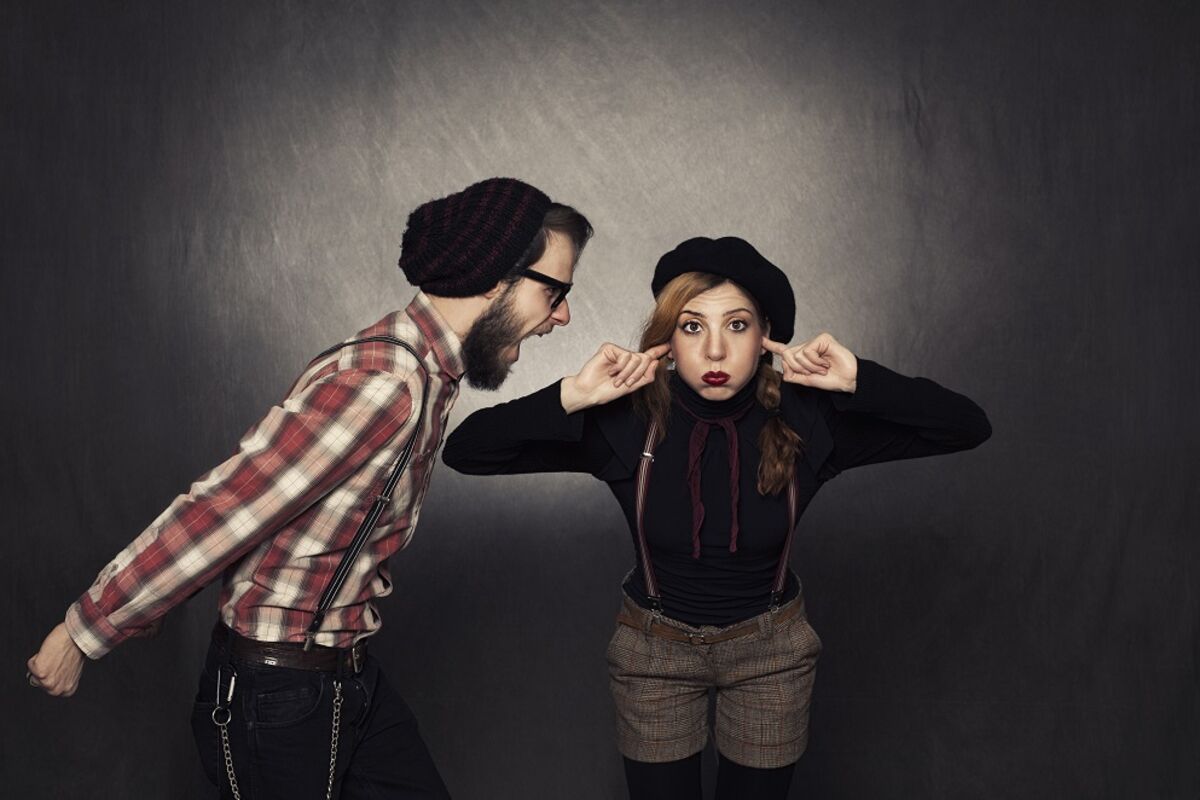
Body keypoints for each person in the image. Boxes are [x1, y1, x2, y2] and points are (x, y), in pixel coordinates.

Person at [25, 177, 593, 800]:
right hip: (277, 693)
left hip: (343, 676)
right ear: (494, 278)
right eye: (554, 291)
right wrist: (88, 628)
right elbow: (228, 510)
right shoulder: (387, 382)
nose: (562, 315)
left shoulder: (430, 373)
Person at [441, 236, 992, 800]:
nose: (714, 351)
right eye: (691, 327)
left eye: (736, 325)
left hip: (771, 653)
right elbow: (467, 451)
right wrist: (572, 395)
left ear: (765, 335)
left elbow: (967, 426)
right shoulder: (626, 420)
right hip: (654, 651)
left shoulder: (808, 419)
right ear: (667, 341)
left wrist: (859, 381)